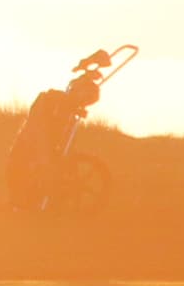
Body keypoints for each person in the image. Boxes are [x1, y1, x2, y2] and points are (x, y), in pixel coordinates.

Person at [7, 52, 108, 213]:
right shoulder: (53, 101)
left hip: (40, 145)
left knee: (30, 167)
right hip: (37, 142)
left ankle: (36, 200)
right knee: (28, 166)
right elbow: (41, 132)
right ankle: (32, 199)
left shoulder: (59, 102)